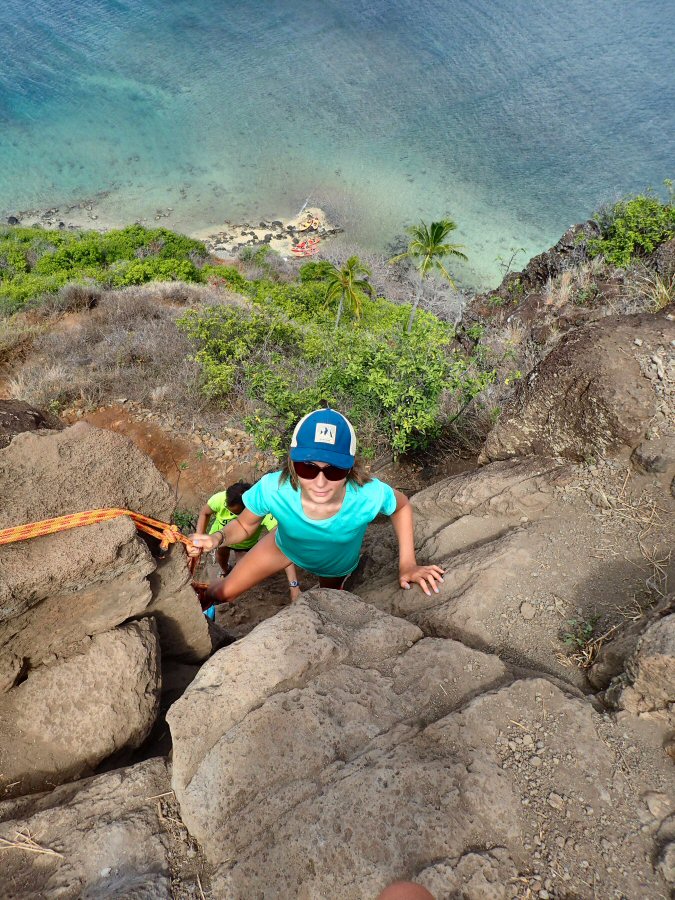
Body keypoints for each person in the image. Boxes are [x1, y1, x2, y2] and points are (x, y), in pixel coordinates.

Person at [188, 408, 444, 608]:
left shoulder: (367, 495)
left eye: (334, 470)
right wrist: (216, 538)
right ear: (292, 463)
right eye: (307, 468)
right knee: (222, 592)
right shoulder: (274, 488)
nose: (320, 482)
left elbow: (401, 507)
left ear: (351, 468)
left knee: (327, 602)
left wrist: (408, 564)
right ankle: (199, 608)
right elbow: (245, 524)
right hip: (283, 547)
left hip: (334, 566)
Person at [195, 480, 300, 619]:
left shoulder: (262, 509)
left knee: (243, 573)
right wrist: (200, 536)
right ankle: (225, 570)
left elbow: (283, 545)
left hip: (244, 545)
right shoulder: (220, 499)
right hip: (221, 540)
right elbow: (205, 513)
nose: (227, 509)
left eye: (235, 512)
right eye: (227, 507)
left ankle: (226, 578)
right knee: (222, 556)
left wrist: (294, 586)